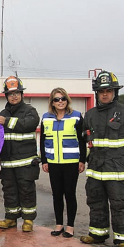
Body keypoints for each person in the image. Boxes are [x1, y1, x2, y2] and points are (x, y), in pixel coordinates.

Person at [80, 71, 124, 247]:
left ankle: (123, 239)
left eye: (109, 90)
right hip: (96, 169)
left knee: (120, 204)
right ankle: (98, 234)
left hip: (119, 170)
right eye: (101, 91)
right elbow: (84, 141)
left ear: (115, 92)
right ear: (96, 93)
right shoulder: (89, 115)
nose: (105, 94)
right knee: (96, 202)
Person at [0, 76, 40, 232]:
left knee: (26, 190)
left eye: (17, 93)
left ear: (21, 94)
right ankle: (11, 218)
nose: (14, 96)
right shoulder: (3, 112)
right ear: (6, 95)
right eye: (11, 93)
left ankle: (28, 220)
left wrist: (7, 121)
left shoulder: (29, 111)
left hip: (25, 162)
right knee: (9, 191)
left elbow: (30, 124)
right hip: (7, 162)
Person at [40, 87, 86, 238]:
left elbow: (81, 140)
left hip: (71, 162)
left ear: (67, 100)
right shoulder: (46, 117)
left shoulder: (77, 116)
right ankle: (59, 224)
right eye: (56, 99)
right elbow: (43, 140)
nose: (60, 102)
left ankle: (70, 226)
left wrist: (82, 160)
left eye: (63, 98)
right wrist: (44, 161)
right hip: (53, 163)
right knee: (57, 194)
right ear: (52, 102)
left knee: (70, 194)